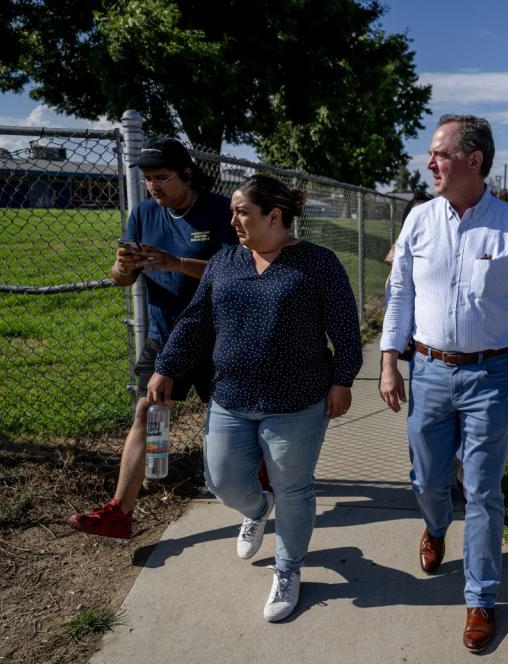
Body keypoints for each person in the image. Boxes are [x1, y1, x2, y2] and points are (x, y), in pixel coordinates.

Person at [148, 174, 362, 622]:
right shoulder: (225, 261)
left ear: (274, 216)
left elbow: (344, 327)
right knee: (222, 479)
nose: (234, 220)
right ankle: (256, 508)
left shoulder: (317, 264)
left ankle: (288, 570)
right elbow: (194, 322)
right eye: (233, 212)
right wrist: (166, 366)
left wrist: (343, 379)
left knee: (294, 487)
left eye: (242, 212)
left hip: (297, 401)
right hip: (230, 394)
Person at [379, 114, 508, 653]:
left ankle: (480, 598)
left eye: (440, 154)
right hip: (427, 371)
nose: (430, 163)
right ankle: (434, 525)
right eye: (431, 154)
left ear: (473, 162)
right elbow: (400, 294)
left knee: (483, 490)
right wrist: (389, 362)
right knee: (428, 480)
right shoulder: (419, 221)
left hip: (490, 376)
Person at [68, 136, 239, 539]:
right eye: (147, 179)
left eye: (162, 178)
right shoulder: (144, 213)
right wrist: (122, 266)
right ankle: (120, 512)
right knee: (146, 412)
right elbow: (121, 279)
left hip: (221, 336)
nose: (153, 186)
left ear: (188, 174)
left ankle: (259, 485)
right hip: (167, 336)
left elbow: (238, 270)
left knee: (234, 423)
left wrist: (175, 263)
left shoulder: (219, 210)